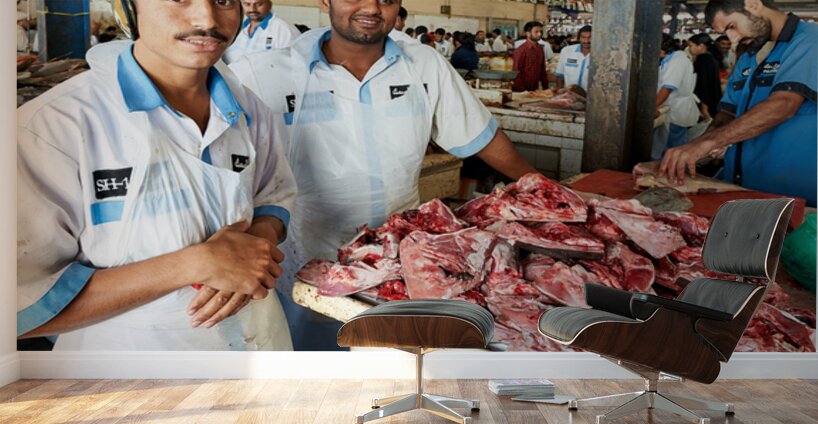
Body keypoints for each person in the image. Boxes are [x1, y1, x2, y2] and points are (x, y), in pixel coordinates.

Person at [230, 0, 537, 350]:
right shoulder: (267, 72)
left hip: (401, 269)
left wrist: (542, 188)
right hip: (308, 266)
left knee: (395, 365)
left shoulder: (423, 66)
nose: (372, 7)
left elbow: (481, 136)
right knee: (315, 366)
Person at [16, 0, 297, 351]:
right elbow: (19, 303)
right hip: (129, 370)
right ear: (128, 8)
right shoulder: (54, 127)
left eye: (224, 0)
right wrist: (194, 264)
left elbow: (273, 193)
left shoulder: (247, 109)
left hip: (258, 346)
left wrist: (259, 240)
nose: (206, 18)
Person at [661, 0, 817, 206]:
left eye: (732, 26)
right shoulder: (748, 56)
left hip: (793, 190)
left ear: (753, 4)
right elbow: (728, 113)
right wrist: (696, 147)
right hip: (742, 185)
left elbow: (784, 104)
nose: (733, 38)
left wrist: (710, 142)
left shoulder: (809, 40)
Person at [653, 33, 700, 160]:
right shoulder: (671, 59)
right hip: (673, 107)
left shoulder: (677, 61)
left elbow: (667, 87)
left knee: (671, 148)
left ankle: (667, 170)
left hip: (675, 109)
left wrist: (653, 107)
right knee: (669, 144)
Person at [222, 0, 300, 64]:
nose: (252, 9)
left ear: (269, 4)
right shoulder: (235, 26)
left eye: (259, 4)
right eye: (247, 4)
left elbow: (296, 65)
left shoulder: (285, 31)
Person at [687, 33, 723, 119]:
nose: (689, 49)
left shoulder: (702, 61)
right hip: (713, 100)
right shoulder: (710, 59)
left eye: (691, 46)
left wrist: (704, 107)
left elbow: (704, 84)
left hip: (705, 103)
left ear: (701, 46)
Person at [512, 21, 549, 92]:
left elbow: (542, 70)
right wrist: (523, 91)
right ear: (528, 34)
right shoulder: (521, 50)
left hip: (534, 89)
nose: (539, 34)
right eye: (536, 32)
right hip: (522, 91)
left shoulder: (540, 49)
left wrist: (546, 88)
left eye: (541, 32)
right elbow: (515, 72)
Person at [556, 25, 592, 91]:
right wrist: (559, 91)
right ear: (579, 38)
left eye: (590, 37)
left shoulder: (601, 55)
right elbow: (560, 74)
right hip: (569, 95)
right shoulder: (567, 51)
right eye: (583, 37)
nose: (586, 41)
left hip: (591, 95)